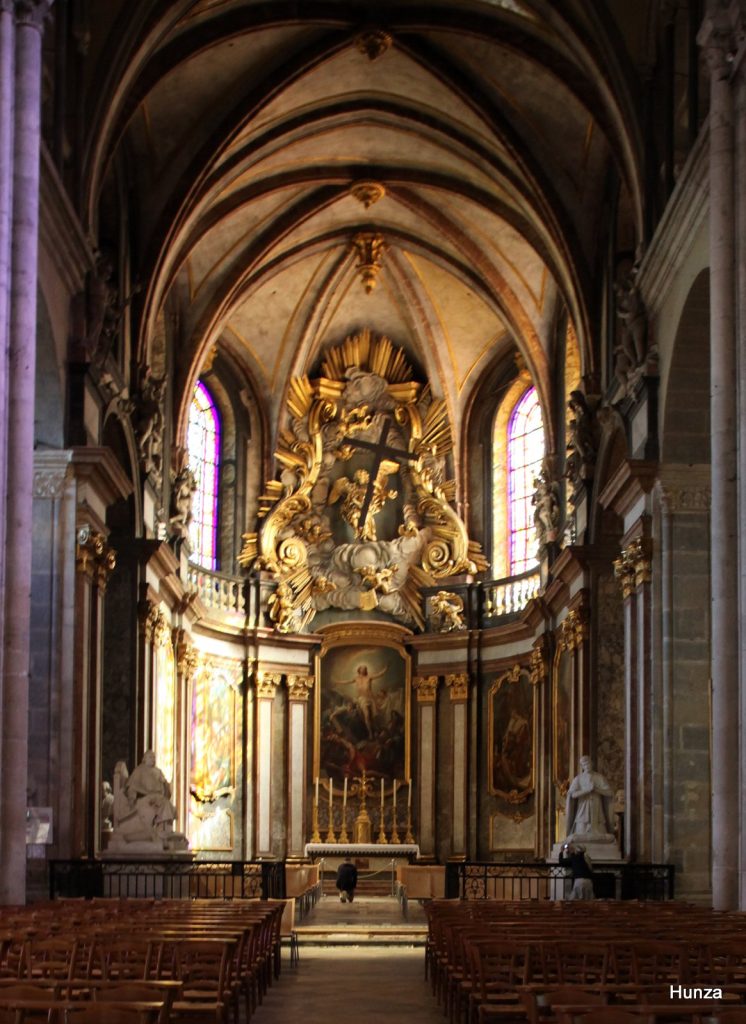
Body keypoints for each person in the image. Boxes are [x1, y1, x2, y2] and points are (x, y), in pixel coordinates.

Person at [565, 755, 614, 840]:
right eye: (584, 764)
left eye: (588, 763)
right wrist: (586, 790)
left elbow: (609, 793)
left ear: (592, 764)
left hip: (597, 809)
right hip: (583, 810)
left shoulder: (599, 777)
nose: (587, 766)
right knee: (578, 835)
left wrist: (596, 789)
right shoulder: (578, 779)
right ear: (582, 766)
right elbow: (572, 795)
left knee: (604, 835)